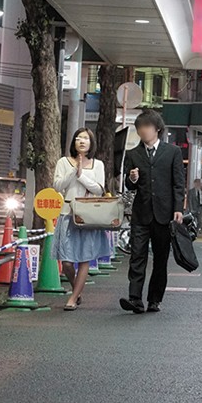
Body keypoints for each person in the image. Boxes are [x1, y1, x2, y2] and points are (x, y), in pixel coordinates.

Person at [119, 110, 185, 314]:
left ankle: (155, 299)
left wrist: (178, 209)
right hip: (141, 213)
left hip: (164, 214)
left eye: (147, 126)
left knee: (160, 258)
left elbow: (178, 183)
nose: (143, 131)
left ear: (157, 128)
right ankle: (135, 298)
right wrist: (132, 179)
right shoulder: (132, 154)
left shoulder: (172, 152)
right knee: (137, 255)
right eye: (140, 127)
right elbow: (129, 187)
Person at [52, 127, 111, 311]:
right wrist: (73, 172)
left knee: (85, 258)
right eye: (78, 138)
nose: (81, 141)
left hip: (88, 217)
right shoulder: (63, 162)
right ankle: (76, 288)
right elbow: (57, 186)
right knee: (67, 262)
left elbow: (99, 189)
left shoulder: (98, 164)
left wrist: (81, 175)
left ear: (91, 143)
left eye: (85, 138)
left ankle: (73, 297)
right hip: (67, 213)